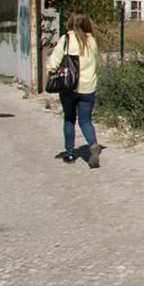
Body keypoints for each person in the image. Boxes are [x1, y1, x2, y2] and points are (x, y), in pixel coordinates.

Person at [47, 11, 102, 168]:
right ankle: (93, 144)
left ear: (70, 22)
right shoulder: (92, 41)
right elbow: (98, 64)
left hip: (69, 87)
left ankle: (70, 153)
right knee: (85, 120)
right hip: (88, 87)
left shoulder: (66, 39)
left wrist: (50, 72)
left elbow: (53, 63)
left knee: (69, 119)